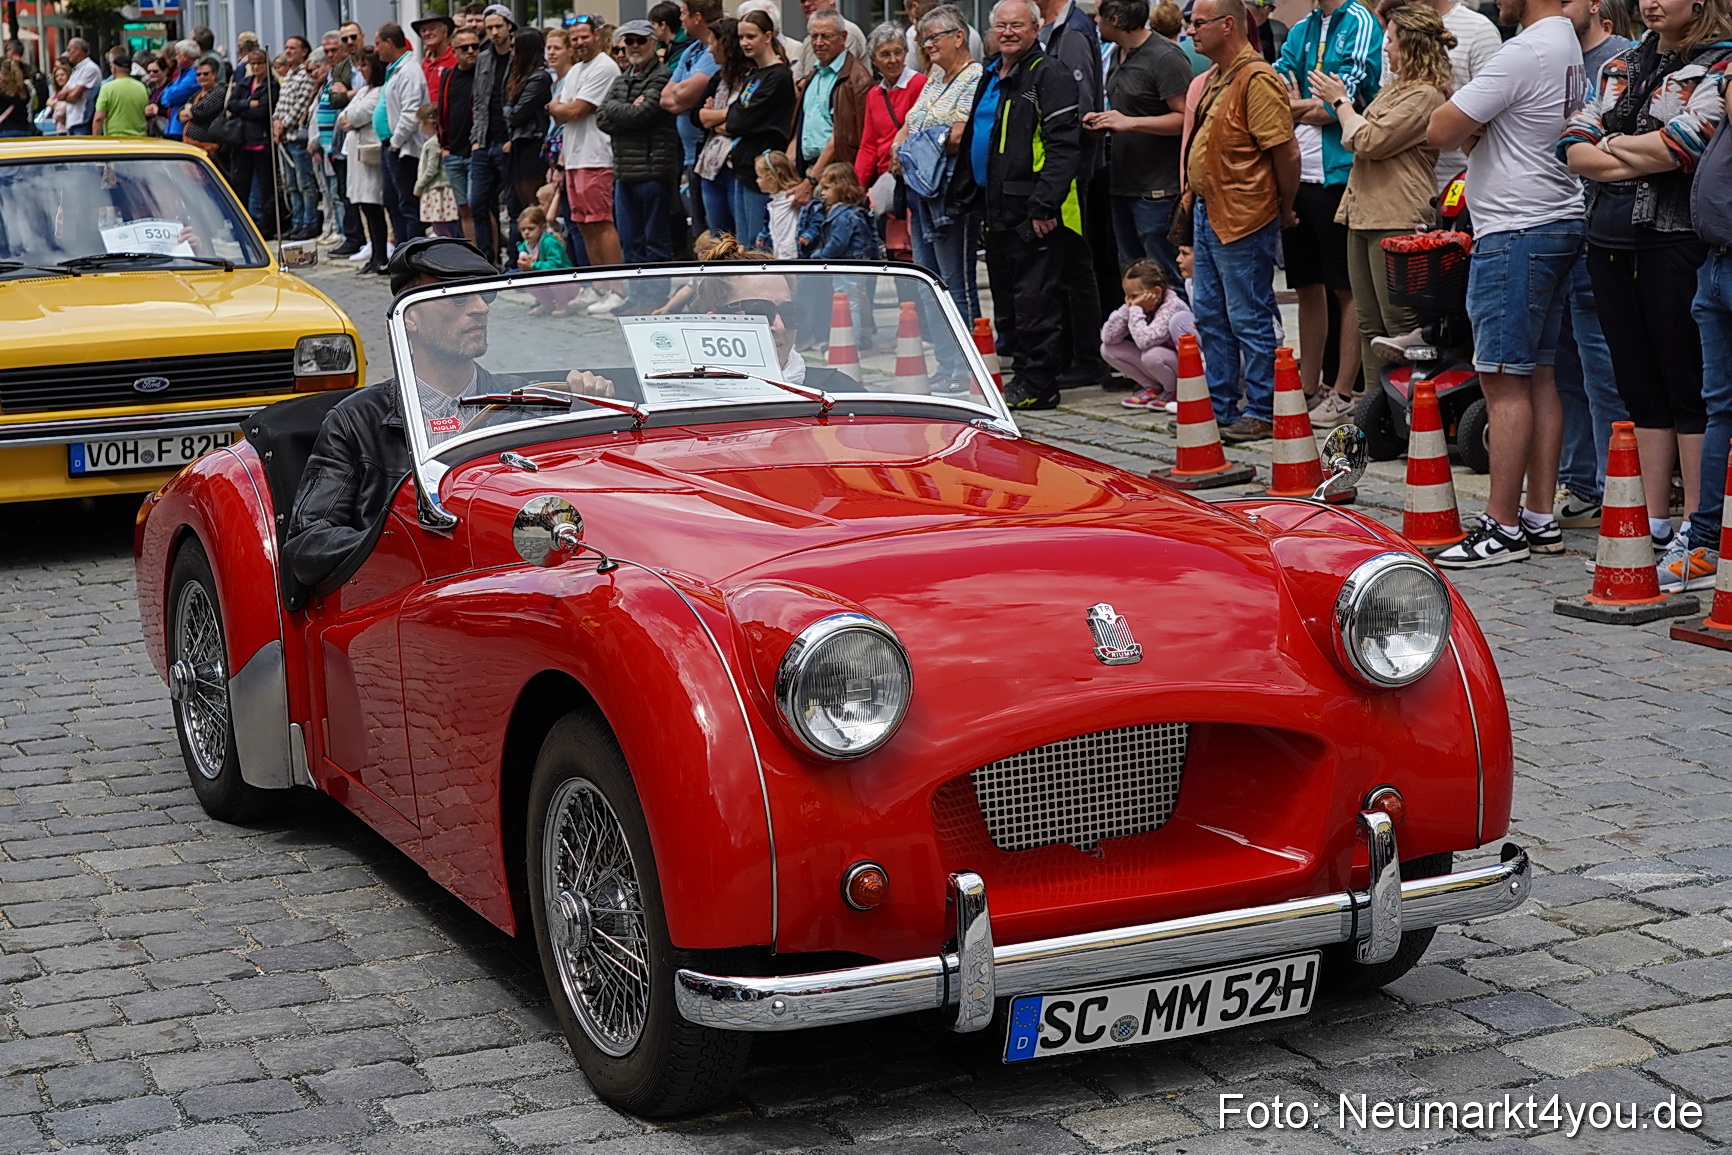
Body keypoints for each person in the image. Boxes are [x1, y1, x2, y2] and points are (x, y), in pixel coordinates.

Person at [1562, 0, 1732, 580]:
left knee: (1688, 386)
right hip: (1608, 240)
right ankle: (1654, 521)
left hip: (1676, 240)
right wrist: (1628, 152)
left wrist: (1609, 149)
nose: (1650, 2)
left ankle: (1696, 527)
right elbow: (1572, 144)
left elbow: (1683, 148)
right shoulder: (1624, 63)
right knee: (1638, 387)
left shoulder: (1719, 66)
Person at [1428, 0, 1585, 569]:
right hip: (1553, 217)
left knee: (1502, 381)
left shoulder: (1522, 50)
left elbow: (1441, 128)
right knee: (1539, 376)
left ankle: (1503, 526)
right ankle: (1538, 518)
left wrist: (1466, 118)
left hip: (1515, 228)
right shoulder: (1563, 40)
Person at [283, 238, 505, 591]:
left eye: (485, 295)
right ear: (411, 317)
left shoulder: (525, 402)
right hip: (404, 601)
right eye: (459, 296)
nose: (481, 308)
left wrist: (594, 401)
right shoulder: (356, 421)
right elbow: (310, 542)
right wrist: (405, 548)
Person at [1308, 3, 1450, 417]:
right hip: (1364, 212)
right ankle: (1377, 410)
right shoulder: (1394, 89)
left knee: (1400, 327)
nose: (1385, 47)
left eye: (1390, 40)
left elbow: (1367, 139)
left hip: (1398, 216)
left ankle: (1415, 412)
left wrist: (1341, 103)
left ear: (1409, 45)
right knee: (1370, 325)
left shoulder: (1426, 95)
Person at [948, 0, 1084, 410]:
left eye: (1017, 26)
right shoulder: (991, 72)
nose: (1008, 32)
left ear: (1036, 28)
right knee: (1008, 299)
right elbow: (979, 134)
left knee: (1034, 300)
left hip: (1033, 209)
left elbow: (1063, 148)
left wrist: (1044, 206)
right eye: (1001, 26)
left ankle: (1039, 384)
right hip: (996, 206)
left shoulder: (1049, 75)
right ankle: (1022, 373)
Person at [1182, 0, 1300, 440]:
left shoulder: (1257, 77)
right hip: (1211, 211)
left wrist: (1281, 207)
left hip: (1244, 215)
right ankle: (1221, 406)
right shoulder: (1219, 76)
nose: (1190, 31)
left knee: (1248, 316)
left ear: (1227, 25)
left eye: (1197, 23)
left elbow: (1285, 153)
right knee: (1211, 315)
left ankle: (1265, 410)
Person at [1275, 0, 1382, 425]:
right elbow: (1278, 90)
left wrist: (1302, 105)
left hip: (1340, 175)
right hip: (1300, 174)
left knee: (1346, 287)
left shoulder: (1358, 21)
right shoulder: (1301, 27)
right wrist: (1308, 104)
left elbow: (1339, 105)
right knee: (1305, 285)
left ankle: (1344, 391)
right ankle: (1308, 385)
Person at [1547, 0, 1630, 529]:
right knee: (1565, 370)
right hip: (1557, 227)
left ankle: (1616, 485)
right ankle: (1581, 482)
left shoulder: (1621, 61)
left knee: (1604, 369)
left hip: (1601, 231)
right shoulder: (1553, 57)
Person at [1086, 0, 1192, 285]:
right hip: (1121, 183)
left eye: (1099, 15)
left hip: (1156, 191)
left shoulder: (1165, 57)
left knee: (1164, 278)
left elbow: (1185, 119)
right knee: (1132, 277)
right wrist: (1104, 124)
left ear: (1116, 20)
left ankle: (1178, 330)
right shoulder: (1116, 52)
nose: (1095, 21)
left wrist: (1130, 122)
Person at [896, 4, 982, 321]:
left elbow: (958, 136)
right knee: (926, 281)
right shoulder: (934, 75)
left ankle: (969, 362)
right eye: (924, 39)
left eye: (934, 38)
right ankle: (946, 363)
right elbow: (912, 121)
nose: (927, 45)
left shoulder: (974, 78)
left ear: (958, 37)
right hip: (920, 190)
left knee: (954, 283)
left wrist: (912, 148)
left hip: (949, 193)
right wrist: (899, 145)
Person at [598, 20, 682, 308]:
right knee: (631, 242)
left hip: (653, 170)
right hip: (625, 171)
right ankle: (636, 297)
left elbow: (644, 114)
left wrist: (621, 112)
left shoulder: (663, 76)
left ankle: (655, 297)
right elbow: (602, 116)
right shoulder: (621, 79)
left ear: (653, 42)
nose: (633, 47)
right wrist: (626, 111)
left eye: (639, 41)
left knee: (654, 241)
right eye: (628, 42)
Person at [551, 14, 627, 315]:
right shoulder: (575, 71)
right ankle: (599, 286)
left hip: (597, 156)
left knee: (601, 223)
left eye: (584, 36)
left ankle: (617, 288)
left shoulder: (604, 66)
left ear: (597, 35)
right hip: (574, 156)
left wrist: (561, 109)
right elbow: (561, 110)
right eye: (575, 38)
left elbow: (575, 109)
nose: (579, 42)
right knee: (584, 224)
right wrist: (562, 109)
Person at [719, 10, 797, 246]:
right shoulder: (754, 75)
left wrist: (733, 119)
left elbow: (738, 121)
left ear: (767, 36)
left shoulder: (779, 76)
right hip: (743, 166)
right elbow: (736, 114)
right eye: (741, 37)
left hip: (763, 167)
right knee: (742, 243)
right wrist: (734, 118)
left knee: (757, 243)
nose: (744, 43)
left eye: (751, 37)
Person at [854, 23, 925, 261]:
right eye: (885, 54)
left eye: (898, 52)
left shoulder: (920, 85)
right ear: (874, 60)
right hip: (889, 183)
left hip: (914, 182)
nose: (893, 60)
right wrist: (856, 188)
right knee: (897, 251)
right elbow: (869, 145)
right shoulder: (875, 94)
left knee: (916, 251)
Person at [790, 10, 875, 199]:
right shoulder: (814, 74)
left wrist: (811, 180)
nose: (819, 43)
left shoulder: (857, 79)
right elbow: (801, 127)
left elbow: (841, 136)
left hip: (835, 178)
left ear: (843, 37)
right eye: (814, 36)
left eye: (826, 36)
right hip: (808, 171)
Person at [662, 0, 725, 239]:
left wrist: (680, 94)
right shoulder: (693, 50)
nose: (680, 20)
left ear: (697, 17)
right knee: (699, 230)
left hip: (706, 151)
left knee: (714, 230)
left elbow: (686, 94)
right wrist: (680, 95)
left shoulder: (712, 53)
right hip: (689, 156)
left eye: (683, 14)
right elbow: (666, 97)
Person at [1105, 258, 1198, 406]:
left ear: (1156, 292)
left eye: (1134, 296)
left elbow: (1145, 341)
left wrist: (1135, 310)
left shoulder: (1172, 307)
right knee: (1108, 349)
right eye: (1127, 296)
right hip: (1160, 363)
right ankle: (1153, 388)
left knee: (1152, 355)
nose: (1131, 301)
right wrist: (1127, 309)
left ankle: (1173, 391)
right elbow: (1108, 337)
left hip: (1181, 365)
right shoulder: (1138, 304)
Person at [471, 3, 519, 265]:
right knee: (478, 202)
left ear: (509, 26)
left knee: (512, 205)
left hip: (508, 140)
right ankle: (487, 261)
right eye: (489, 28)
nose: (494, 32)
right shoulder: (484, 57)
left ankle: (513, 261)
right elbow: (479, 99)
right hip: (485, 139)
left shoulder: (519, 55)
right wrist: (476, 138)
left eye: (498, 26)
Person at [378, 24, 430, 250]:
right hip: (393, 146)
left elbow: (410, 112)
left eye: (378, 43)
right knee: (393, 202)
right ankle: (402, 250)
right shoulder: (396, 69)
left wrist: (395, 143)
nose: (376, 49)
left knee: (408, 205)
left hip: (404, 148)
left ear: (389, 43)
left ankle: (412, 254)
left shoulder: (409, 71)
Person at [502, 26, 553, 244]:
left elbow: (516, 114)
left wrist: (507, 109)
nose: (511, 52)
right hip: (520, 144)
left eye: (515, 47)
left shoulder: (539, 78)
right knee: (521, 206)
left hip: (532, 144)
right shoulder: (521, 76)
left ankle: (543, 252)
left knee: (534, 205)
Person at [342, 51, 390, 277]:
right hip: (356, 156)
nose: (360, 69)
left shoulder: (379, 92)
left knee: (373, 207)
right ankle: (374, 255)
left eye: (364, 65)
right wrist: (350, 119)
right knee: (365, 207)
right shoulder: (364, 91)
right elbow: (345, 115)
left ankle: (380, 255)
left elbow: (356, 116)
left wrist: (351, 120)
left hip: (369, 155)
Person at [274, 38, 324, 241]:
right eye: (286, 47)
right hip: (284, 136)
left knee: (305, 183)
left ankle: (309, 222)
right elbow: (281, 101)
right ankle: (296, 222)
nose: (288, 51)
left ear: (304, 52)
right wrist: (275, 121)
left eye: (292, 48)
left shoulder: (306, 74)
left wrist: (284, 123)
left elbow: (302, 103)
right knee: (291, 184)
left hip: (296, 135)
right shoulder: (290, 75)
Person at [226, 51, 279, 233]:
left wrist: (243, 106)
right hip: (242, 141)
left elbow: (262, 112)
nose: (256, 67)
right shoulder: (245, 83)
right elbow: (231, 105)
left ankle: (265, 225)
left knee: (265, 187)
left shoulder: (271, 86)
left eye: (259, 63)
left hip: (261, 142)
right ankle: (242, 224)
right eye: (253, 64)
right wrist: (249, 103)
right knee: (241, 184)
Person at [441, 27, 483, 245]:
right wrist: (444, 145)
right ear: (454, 51)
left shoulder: (484, 74)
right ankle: (472, 256)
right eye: (464, 47)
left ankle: (488, 256)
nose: (470, 51)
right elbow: (442, 110)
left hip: (477, 151)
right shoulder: (448, 76)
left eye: (475, 46)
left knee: (479, 205)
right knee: (463, 207)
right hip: (454, 152)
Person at [516, 204, 581, 315]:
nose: (526, 232)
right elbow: (523, 253)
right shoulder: (525, 245)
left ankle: (562, 305)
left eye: (531, 228)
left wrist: (532, 266)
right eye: (523, 229)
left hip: (567, 283)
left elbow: (555, 265)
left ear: (542, 227)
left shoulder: (549, 242)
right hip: (545, 283)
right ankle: (546, 304)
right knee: (524, 279)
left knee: (554, 278)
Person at [416, 102, 462, 238]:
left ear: (428, 123)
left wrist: (419, 185)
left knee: (442, 224)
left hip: (437, 189)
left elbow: (431, 169)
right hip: (435, 189)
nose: (419, 127)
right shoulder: (434, 142)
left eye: (420, 123)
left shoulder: (433, 143)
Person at [792, 0, 869, 81]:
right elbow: (797, 80)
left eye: (826, 36)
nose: (806, 4)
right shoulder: (808, 39)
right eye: (802, 1)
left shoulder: (847, 32)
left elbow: (835, 80)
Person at [753, 149, 805, 255]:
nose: (756, 181)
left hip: (794, 255)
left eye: (759, 177)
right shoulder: (772, 202)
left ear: (772, 178)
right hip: (779, 253)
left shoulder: (793, 200)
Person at [92, 52, 148, 137]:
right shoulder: (142, 87)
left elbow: (99, 117)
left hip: (115, 139)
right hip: (139, 138)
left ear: (113, 69)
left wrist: (95, 137)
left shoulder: (107, 88)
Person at [414, 13, 458, 109]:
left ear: (445, 31)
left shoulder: (455, 57)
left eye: (432, 28)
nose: (427, 33)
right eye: (423, 30)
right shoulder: (424, 63)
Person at [61, 39, 102, 135]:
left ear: (77, 50)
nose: (67, 54)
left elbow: (72, 97)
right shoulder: (76, 70)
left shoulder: (90, 68)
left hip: (82, 121)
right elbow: (60, 95)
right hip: (72, 121)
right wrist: (73, 90)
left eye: (69, 50)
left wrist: (71, 92)